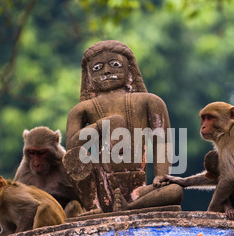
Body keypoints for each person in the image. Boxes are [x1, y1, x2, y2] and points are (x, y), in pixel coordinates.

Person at [64, 40, 182, 213]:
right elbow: (71, 151)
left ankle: (131, 207)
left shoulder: (150, 101)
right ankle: (94, 207)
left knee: (175, 190)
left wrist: (160, 176)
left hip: (138, 191)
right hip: (100, 188)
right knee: (75, 158)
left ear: (130, 69)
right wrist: (101, 125)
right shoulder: (82, 109)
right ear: (88, 75)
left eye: (115, 64)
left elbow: (162, 142)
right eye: (98, 68)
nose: (107, 71)